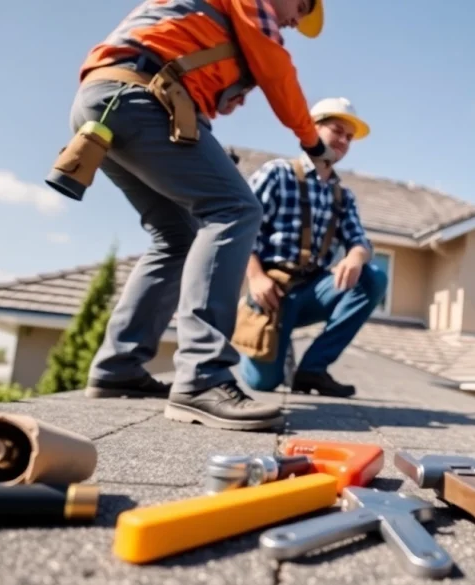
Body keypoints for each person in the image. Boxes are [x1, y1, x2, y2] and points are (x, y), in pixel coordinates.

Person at [73, 0, 337, 432]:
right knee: (234, 210)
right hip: (141, 98)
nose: (297, 20)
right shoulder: (253, 4)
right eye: (301, 6)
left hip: (106, 98)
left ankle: (118, 367)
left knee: (176, 237)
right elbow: (278, 73)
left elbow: (194, 57)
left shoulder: (224, 14)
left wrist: (221, 87)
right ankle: (203, 376)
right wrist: (312, 143)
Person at [238, 97, 385, 398]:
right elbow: (240, 231)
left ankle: (312, 370)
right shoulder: (277, 174)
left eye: (349, 137)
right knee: (263, 384)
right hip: (272, 293)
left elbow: (360, 241)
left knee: (374, 277)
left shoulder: (343, 196)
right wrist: (255, 277)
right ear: (312, 128)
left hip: (313, 291)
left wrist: (356, 256)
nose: (344, 140)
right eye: (337, 130)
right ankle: (259, 329)